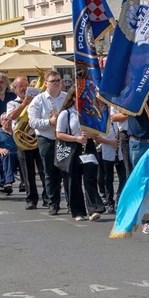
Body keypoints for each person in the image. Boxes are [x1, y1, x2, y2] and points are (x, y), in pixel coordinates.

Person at [111, 87, 149, 234]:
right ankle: (145, 220)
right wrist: (137, 100)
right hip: (138, 143)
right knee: (142, 181)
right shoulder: (134, 96)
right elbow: (122, 113)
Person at [55, 91, 103, 221]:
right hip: (73, 148)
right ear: (73, 97)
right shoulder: (66, 113)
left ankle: (93, 209)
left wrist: (90, 135)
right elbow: (59, 134)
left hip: (88, 147)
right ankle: (78, 211)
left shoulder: (89, 112)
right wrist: (76, 138)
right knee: (74, 181)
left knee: (90, 177)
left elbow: (97, 133)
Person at [28, 70, 67, 215]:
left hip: (64, 138)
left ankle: (70, 201)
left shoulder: (66, 97)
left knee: (66, 171)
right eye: (53, 81)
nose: (57, 83)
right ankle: (53, 203)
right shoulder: (38, 100)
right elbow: (32, 122)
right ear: (46, 84)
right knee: (50, 173)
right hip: (47, 139)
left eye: (58, 80)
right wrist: (49, 122)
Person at [6, 77, 47, 210]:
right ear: (15, 89)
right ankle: (31, 199)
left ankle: (48, 197)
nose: (24, 88)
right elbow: (11, 117)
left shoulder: (38, 100)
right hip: (23, 141)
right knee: (27, 172)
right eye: (20, 86)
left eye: (26, 85)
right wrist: (24, 104)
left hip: (38, 137)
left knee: (44, 170)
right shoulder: (12, 103)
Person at [0, 113, 18, 194]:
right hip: (3, 155)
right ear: (1, 122)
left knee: (25, 155)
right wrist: (1, 150)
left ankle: (25, 182)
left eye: (9, 120)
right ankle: (8, 183)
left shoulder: (17, 132)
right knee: (8, 154)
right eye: (5, 120)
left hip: (17, 154)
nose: (7, 122)